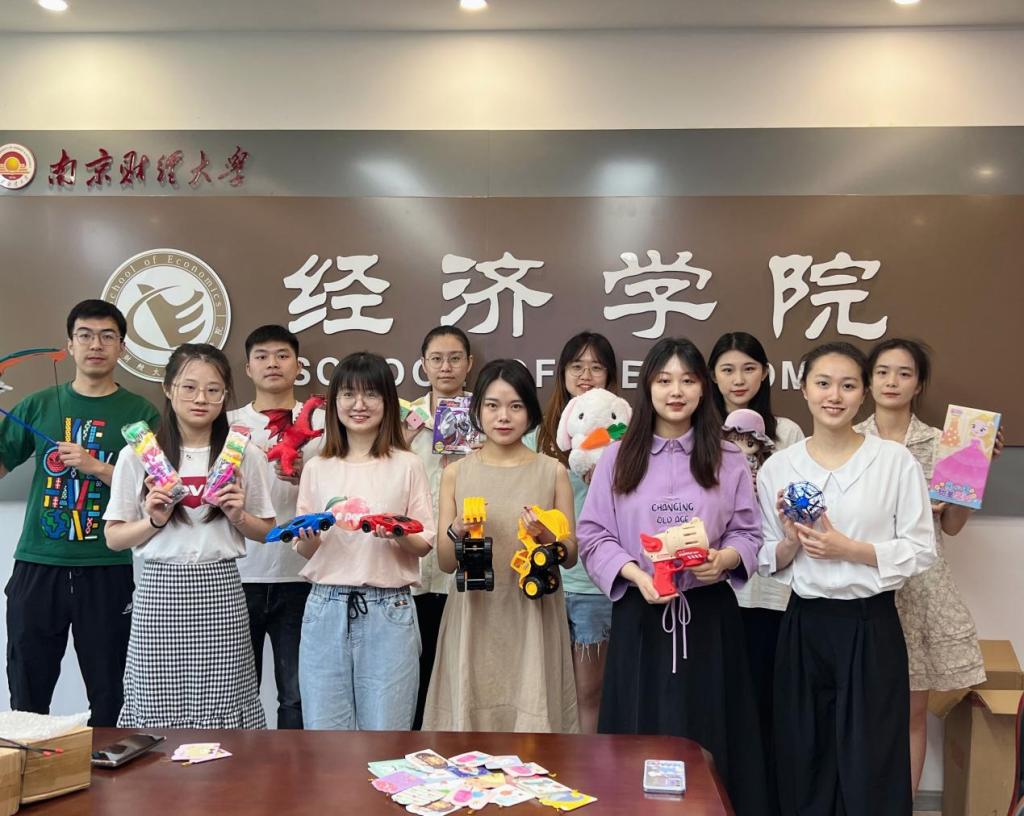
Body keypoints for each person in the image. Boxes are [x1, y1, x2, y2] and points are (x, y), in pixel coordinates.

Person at [578, 338, 768, 816]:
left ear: (703, 389)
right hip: (640, 614)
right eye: (664, 380)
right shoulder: (618, 456)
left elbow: (749, 532)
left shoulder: (728, 457)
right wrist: (634, 575)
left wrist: (724, 559)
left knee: (710, 732)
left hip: (708, 618)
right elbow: (594, 535)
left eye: (687, 380)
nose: (676, 391)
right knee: (638, 735)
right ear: (648, 387)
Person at [757, 342, 936, 816]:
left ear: (864, 393)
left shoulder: (895, 462)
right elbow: (765, 557)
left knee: (872, 757)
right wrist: (791, 543)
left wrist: (849, 550)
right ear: (804, 389)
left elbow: (921, 549)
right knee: (803, 754)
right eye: (823, 383)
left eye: (848, 385)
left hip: (869, 624)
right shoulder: (778, 467)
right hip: (803, 624)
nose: (834, 396)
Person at [0, 299, 159, 727]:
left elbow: (157, 492)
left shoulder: (140, 414)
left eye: (107, 336)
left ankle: (106, 770)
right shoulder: (38, 405)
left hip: (106, 566)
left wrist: (97, 467)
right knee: (27, 691)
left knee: (110, 693)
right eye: (85, 335)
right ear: (69, 345)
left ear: (122, 347)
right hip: (38, 564)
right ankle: (30, 766)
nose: (96, 345)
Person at [105, 343, 275, 728]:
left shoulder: (244, 453)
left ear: (226, 395)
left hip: (220, 588)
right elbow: (114, 538)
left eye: (213, 390)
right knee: (155, 700)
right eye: (189, 387)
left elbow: (266, 531)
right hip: (159, 592)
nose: (201, 399)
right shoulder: (138, 455)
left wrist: (238, 515)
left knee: (225, 701)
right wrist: (153, 521)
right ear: (168, 389)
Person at [857, 337, 993, 795]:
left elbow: (951, 527)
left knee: (912, 714)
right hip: (866, 584)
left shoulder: (944, 443)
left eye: (904, 373)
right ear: (868, 381)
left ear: (918, 385)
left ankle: (903, 805)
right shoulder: (850, 439)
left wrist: (973, 473)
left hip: (922, 590)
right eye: (882, 372)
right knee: (863, 710)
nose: (892, 382)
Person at [423, 359, 579, 733]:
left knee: (534, 718)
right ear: (477, 410)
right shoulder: (456, 473)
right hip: (474, 614)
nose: (503, 417)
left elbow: (571, 555)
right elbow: (445, 563)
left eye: (515, 406)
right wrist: (456, 531)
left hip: (532, 614)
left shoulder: (552, 471)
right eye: (492, 405)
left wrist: (546, 536)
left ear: (531, 412)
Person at [294, 352, 435, 730]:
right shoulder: (317, 467)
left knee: (387, 737)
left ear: (388, 402)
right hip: (325, 608)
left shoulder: (407, 464)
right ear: (334, 403)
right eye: (348, 394)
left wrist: (398, 534)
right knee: (325, 736)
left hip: (389, 609)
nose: (359, 405)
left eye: (371, 394)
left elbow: (424, 543)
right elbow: (304, 549)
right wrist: (309, 536)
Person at [708, 330, 804, 812]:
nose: (738, 379)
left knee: (768, 701)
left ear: (765, 373)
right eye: (727, 369)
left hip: (772, 590)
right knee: (723, 703)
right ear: (712, 377)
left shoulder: (787, 433)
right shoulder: (700, 430)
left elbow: (800, 503)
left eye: (748, 368)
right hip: (715, 586)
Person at [229, 325, 325, 729]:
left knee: (297, 696)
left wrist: (309, 475)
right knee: (237, 695)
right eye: (262, 356)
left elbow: (345, 490)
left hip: (301, 575)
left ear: (298, 366)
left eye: (283, 355)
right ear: (248, 367)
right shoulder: (228, 424)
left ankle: (295, 769)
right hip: (239, 574)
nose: (273, 363)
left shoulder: (324, 423)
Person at [532, 331, 617, 734]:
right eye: (576, 366)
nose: (585, 375)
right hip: (541, 579)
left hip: (593, 583)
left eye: (596, 367)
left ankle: (588, 767)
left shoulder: (622, 434)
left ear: (610, 375)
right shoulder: (538, 436)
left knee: (589, 693)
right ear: (562, 373)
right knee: (543, 691)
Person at [403, 325, 474, 729]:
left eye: (454, 358)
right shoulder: (404, 417)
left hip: (461, 567)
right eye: (436, 359)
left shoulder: (485, 416)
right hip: (411, 567)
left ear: (469, 364)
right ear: (423, 365)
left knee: (456, 671)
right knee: (412, 673)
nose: (446, 367)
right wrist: (399, 441)